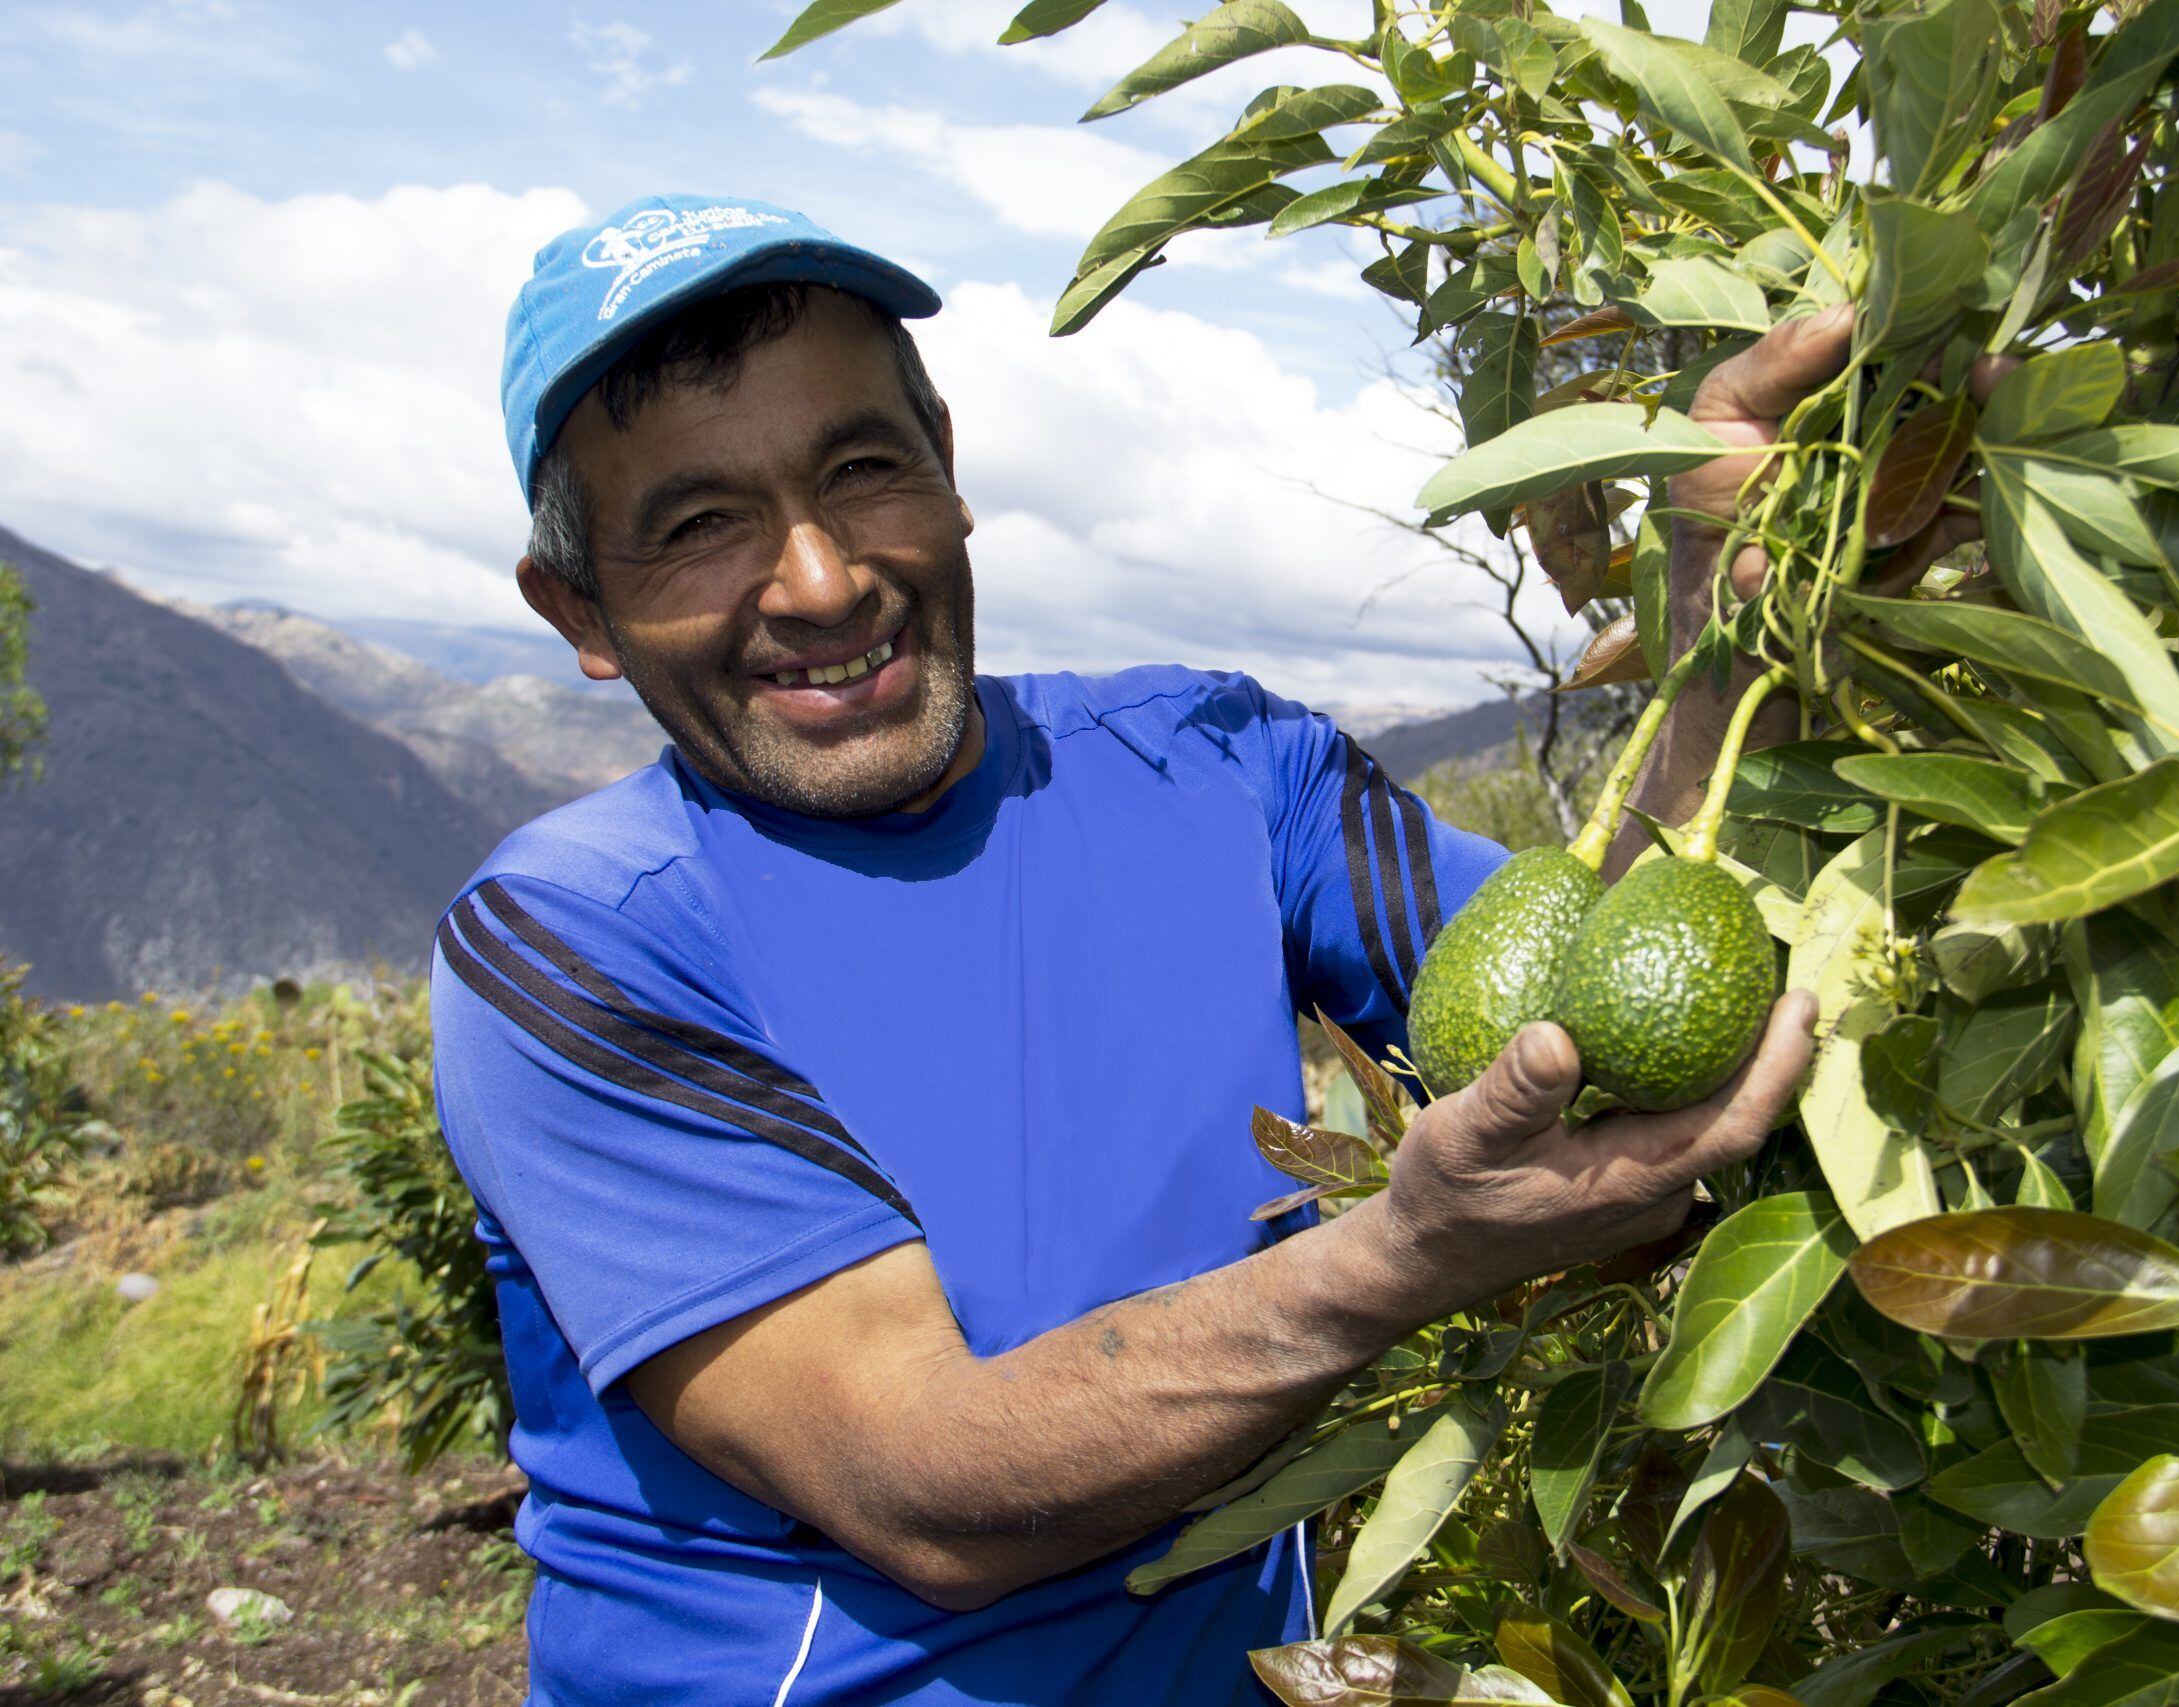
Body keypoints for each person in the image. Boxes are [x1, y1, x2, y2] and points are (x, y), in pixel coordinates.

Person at [432, 192, 1955, 1706]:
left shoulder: (1220, 766)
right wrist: (1402, 1260)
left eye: (862, 469)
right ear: (580, 610)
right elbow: (917, 1486)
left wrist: (1726, 620)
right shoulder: (575, 940)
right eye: (700, 527)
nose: (822, 581)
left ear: (949, 472)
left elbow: (1609, 1025)